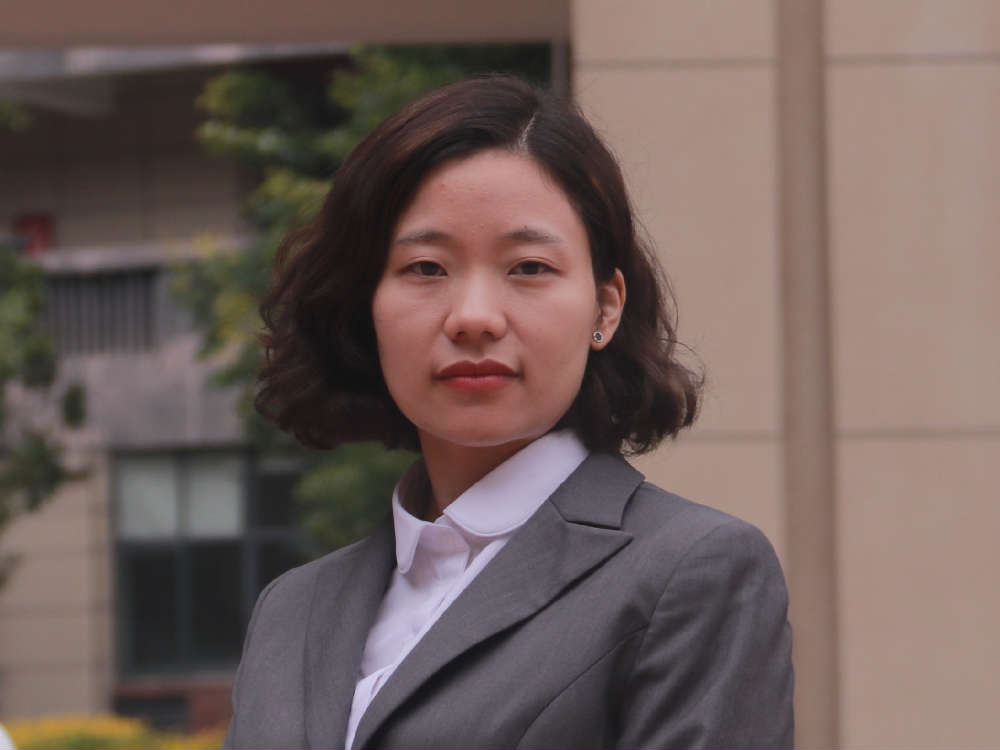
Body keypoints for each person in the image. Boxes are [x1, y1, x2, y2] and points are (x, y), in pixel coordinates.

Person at [223, 75, 793, 750]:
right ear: (364, 305)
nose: (473, 317)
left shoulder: (691, 572)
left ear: (606, 307)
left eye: (528, 268)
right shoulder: (292, 609)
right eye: (426, 268)